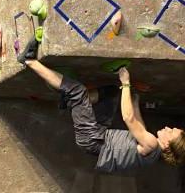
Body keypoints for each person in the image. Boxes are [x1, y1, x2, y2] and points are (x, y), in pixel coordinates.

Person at [17, 39, 185, 172]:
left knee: (77, 91)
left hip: (93, 138)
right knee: (112, 93)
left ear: (166, 146)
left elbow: (128, 118)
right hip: (100, 134)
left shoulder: (152, 144)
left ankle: (29, 60)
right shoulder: (152, 149)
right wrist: (134, 98)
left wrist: (125, 83)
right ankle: (69, 103)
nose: (169, 128)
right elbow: (138, 125)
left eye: (171, 132)